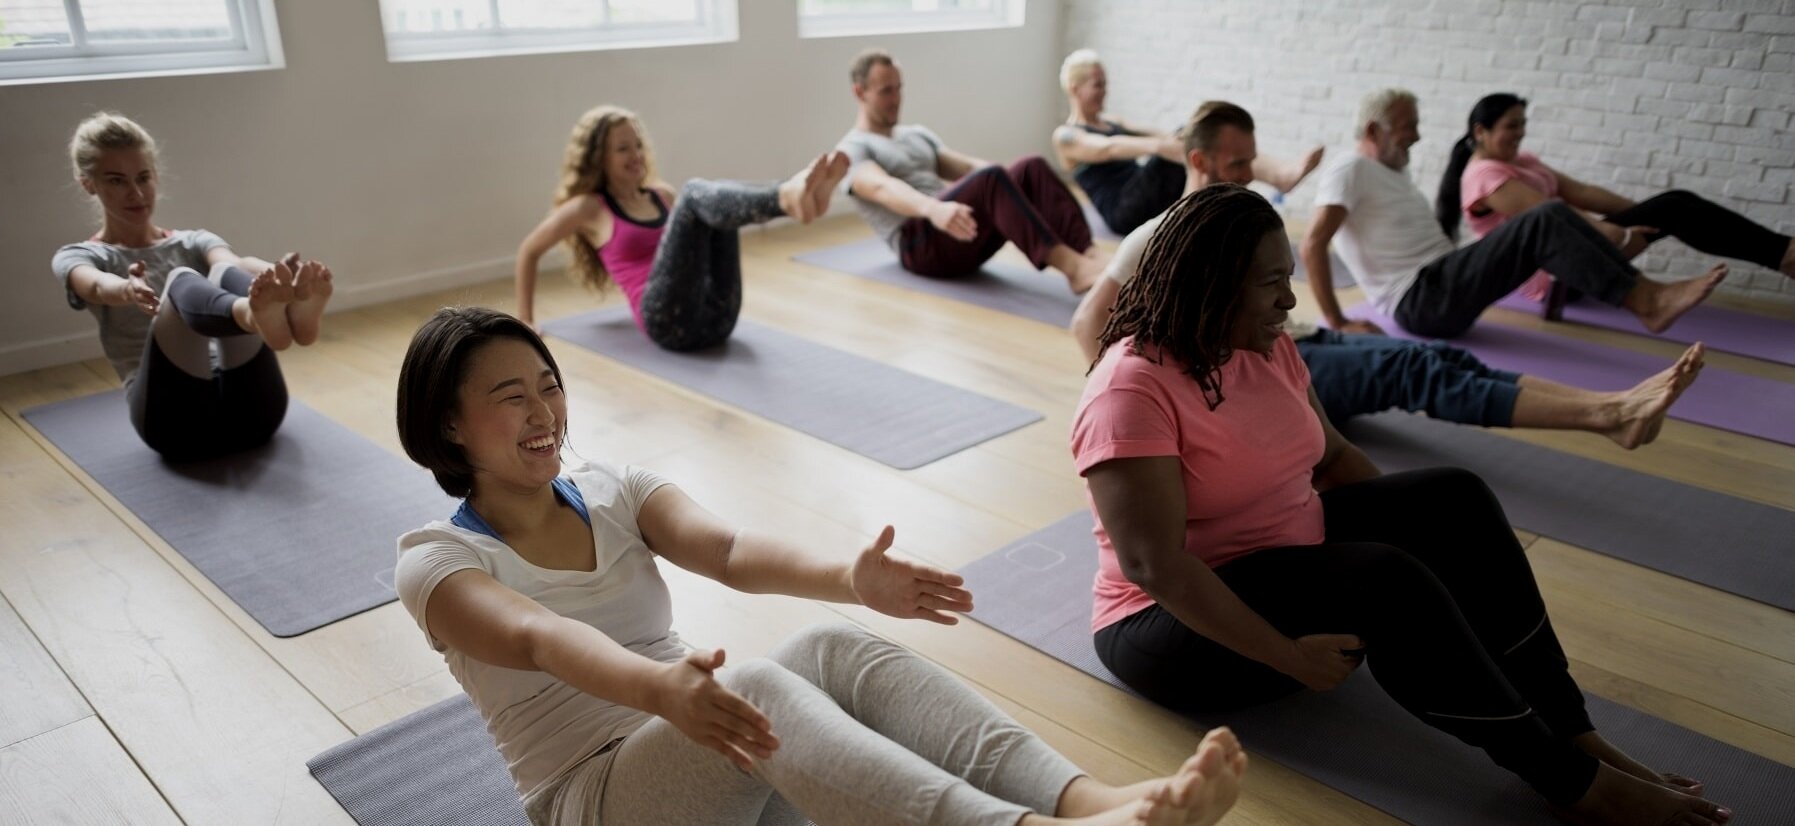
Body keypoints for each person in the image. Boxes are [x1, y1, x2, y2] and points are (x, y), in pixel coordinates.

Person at [392, 306, 1249, 826]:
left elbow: (727, 551)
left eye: (549, 386)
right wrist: (660, 691)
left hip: (714, 752)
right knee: (756, 686)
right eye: (512, 398)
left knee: (832, 646)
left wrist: (853, 577)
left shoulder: (613, 490)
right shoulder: (438, 562)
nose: (545, 412)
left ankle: (1086, 802)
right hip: (603, 797)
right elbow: (541, 640)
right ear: (450, 425)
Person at [1074, 183, 1732, 826]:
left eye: (1289, 275)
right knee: (1382, 579)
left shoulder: (1264, 347)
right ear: (1210, 286)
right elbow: (1155, 568)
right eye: (1269, 282)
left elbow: (1333, 461)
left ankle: (1572, 728)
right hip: (1171, 627)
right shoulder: (1129, 391)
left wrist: (1423, 545)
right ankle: (1573, 783)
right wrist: (1289, 654)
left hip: (1281, 564)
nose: (1290, 298)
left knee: (1449, 496)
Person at [1070, 102, 1703, 450]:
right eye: (1238, 164)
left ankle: (1611, 405)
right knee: (1417, 371)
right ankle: (1607, 417)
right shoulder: (1163, 232)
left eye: (1252, 162)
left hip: (1294, 346)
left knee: (1441, 359)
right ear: (1201, 159)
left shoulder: (1229, 217)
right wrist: (1175, 410)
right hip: (1259, 370)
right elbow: (1089, 325)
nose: (1249, 173)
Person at [1300, 89, 1728, 340]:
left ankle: (1641, 290)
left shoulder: (1392, 172)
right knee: (1543, 219)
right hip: (1420, 299)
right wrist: (1337, 321)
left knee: (1551, 216)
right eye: (1408, 125)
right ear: (1375, 131)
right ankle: (1647, 300)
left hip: (1441, 283)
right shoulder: (1349, 168)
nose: (1417, 135)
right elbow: (1314, 242)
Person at [51, 112, 334, 460]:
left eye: (144, 177)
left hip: (255, 413)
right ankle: (252, 314)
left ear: (156, 175)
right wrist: (127, 289)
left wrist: (286, 281)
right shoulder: (79, 256)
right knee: (180, 281)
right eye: (117, 181)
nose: (136, 193)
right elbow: (95, 286)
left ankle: (289, 309)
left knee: (236, 267)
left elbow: (231, 265)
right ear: (89, 184)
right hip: (176, 424)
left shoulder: (194, 241)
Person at [514, 105, 850, 350]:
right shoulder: (589, 208)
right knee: (695, 194)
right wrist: (525, 320)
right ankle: (786, 195)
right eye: (622, 149)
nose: (636, 155)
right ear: (599, 159)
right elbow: (529, 251)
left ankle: (794, 195)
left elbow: (693, 252)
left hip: (717, 317)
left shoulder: (661, 196)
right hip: (666, 322)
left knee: (712, 203)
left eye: (638, 145)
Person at [1438, 92, 1795, 309]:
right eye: (1511, 126)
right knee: (1674, 207)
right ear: (1480, 132)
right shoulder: (1485, 177)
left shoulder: (1520, 160)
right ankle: (1786, 255)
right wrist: (1616, 233)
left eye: (1522, 123)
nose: (1520, 133)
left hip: (1574, 250)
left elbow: (1582, 192)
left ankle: (1785, 255)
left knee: (1674, 205)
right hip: (1552, 274)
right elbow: (1553, 217)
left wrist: (1644, 211)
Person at [840, 49, 1109, 292]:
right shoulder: (853, 149)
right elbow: (882, 188)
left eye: (899, 88)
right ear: (859, 92)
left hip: (958, 226)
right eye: (886, 91)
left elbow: (968, 168)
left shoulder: (915, 134)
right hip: (922, 246)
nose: (897, 98)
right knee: (990, 179)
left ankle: (1091, 256)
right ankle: (1074, 269)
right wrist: (933, 209)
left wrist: (1012, 190)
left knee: (1030, 167)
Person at [1051, 49, 1322, 236]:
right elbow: (1108, 148)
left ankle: (1277, 175)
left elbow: (1155, 134)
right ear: (1075, 88)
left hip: (1144, 192)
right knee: (1190, 138)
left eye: (1105, 84)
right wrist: (1162, 147)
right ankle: (1279, 177)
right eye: (1097, 85)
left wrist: (1182, 138)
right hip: (1123, 211)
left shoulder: (1111, 120)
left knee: (1194, 133)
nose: (1105, 91)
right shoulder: (1067, 135)